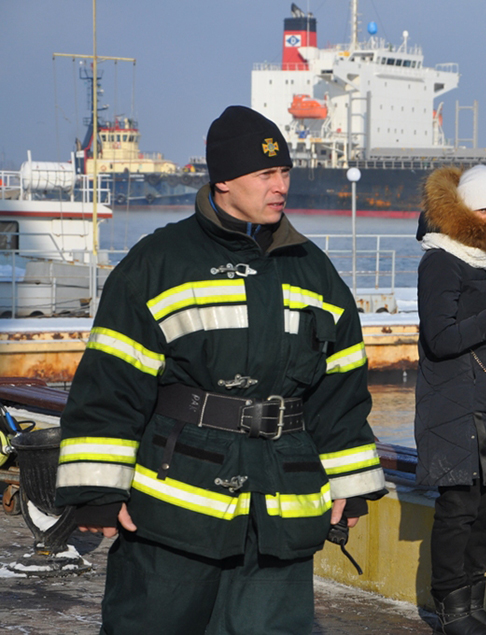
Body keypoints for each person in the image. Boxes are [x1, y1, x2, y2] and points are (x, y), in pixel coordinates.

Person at [54, 105, 386, 634]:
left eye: (285, 172)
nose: (281, 186)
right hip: (173, 508)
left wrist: (350, 483)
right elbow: (111, 382)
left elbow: (341, 391)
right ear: (224, 179)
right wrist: (97, 491)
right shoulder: (160, 262)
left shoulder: (315, 272)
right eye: (265, 173)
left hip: (281, 508)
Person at [415, 164, 486, 635]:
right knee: (459, 510)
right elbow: (441, 338)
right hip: (453, 406)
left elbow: (482, 326)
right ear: (463, 207)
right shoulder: (440, 261)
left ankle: (472, 604)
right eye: (483, 210)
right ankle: (451, 610)